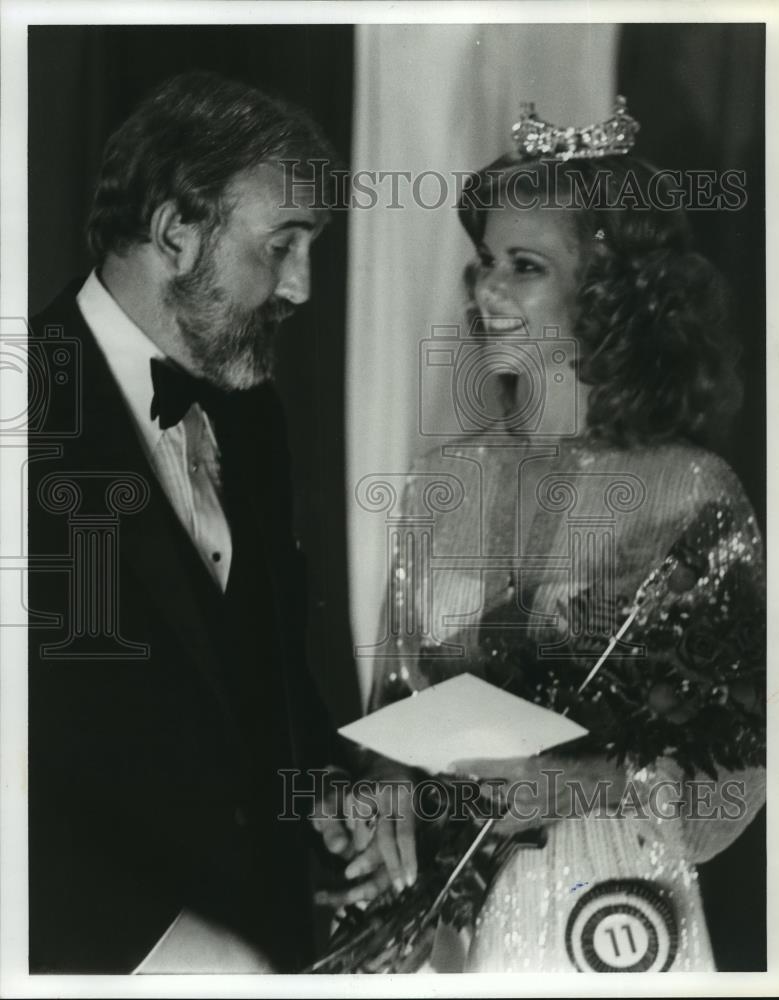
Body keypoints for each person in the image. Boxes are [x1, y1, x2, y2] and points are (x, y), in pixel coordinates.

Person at [366, 100, 766, 972]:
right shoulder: (444, 484)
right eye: (483, 264)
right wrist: (389, 790)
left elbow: (745, 755)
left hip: (617, 913)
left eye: (525, 266)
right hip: (449, 919)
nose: (488, 291)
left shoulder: (690, 491)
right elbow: (395, 702)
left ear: (609, 286)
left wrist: (594, 783)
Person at [27, 70, 372, 974]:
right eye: (283, 244)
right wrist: (148, 943)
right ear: (176, 230)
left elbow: (272, 688)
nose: (301, 287)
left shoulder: (255, 415)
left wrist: (333, 786)